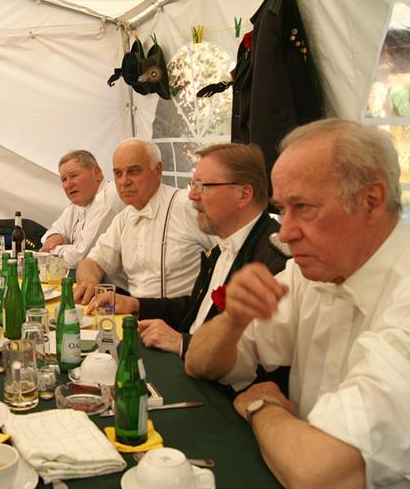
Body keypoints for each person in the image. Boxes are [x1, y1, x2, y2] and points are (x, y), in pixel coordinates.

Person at [185, 119, 410, 488]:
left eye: (303, 207)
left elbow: (323, 473)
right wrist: (233, 319)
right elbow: (199, 363)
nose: (284, 233)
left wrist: (261, 406)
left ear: (371, 201)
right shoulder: (310, 273)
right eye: (282, 209)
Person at [109, 144, 287, 357]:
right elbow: (195, 310)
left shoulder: (276, 262)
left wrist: (183, 343)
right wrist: (137, 304)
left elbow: (257, 355)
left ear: (243, 194)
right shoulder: (223, 245)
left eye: (203, 186)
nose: (192, 195)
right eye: (193, 184)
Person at [74, 138, 212, 304]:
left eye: (133, 171)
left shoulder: (186, 206)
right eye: (118, 173)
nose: (124, 182)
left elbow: (230, 253)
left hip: (181, 317)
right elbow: (91, 263)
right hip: (135, 316)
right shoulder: (124, 219)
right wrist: (89, 282)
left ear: (158, 171)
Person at [39, 150, 124, 268]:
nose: (68, 185)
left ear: (96, 173)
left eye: (74, 175)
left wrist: (53, 250)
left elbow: (81, 258)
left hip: (114, 280)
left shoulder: (107, 200)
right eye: (64, 179)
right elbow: (49, 236)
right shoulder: (80, 200)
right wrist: (60, 236)